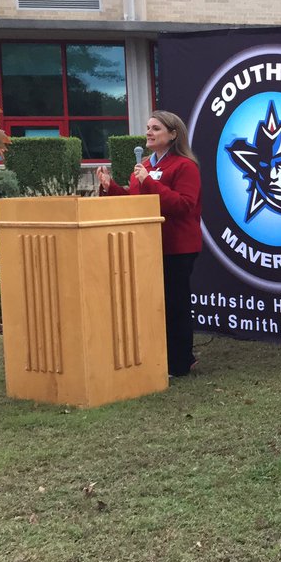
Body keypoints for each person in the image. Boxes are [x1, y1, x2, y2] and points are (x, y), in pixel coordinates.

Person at [98, 111, 202, 378]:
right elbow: (136, 202)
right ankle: (159, 357)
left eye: (156, 128)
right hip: (147, 245)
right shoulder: (143, 165)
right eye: (147, 128)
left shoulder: (184, 166)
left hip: (176, 246)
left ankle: (180, 363)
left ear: (173, 134)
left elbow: (184, 205)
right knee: (153, 304)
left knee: (175, 304)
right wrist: (110, 187)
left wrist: (150, 182)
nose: (149, 132)